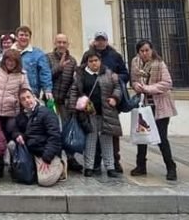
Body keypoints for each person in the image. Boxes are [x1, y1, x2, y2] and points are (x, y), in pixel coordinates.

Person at [68, 50, 122, 178]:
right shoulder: (80, 75)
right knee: (90, 140)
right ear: (87, 62)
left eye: (96, 60)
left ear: (100, 61)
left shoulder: (108, 74)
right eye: (91, 61)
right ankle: (89, 167)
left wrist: (115, 98)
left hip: (106, 112)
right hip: (88, 113)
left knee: (106, 140)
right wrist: (73, 108)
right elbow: (74, 91)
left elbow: (118, 87)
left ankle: (110, 167)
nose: (94, 63)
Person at [129, 40, 178, 181]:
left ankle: (171, 167)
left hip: (160, 105)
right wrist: (136, 86)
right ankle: (141, 166)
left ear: (151, 50)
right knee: (142, 136)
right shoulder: (135, 62)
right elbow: (133, 79)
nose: (144, 53)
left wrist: (147, 88)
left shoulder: (159, 63)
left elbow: (167, 83)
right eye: (141, 51)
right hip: (143, 105)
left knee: (162, 138)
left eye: (147, 50)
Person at [81, 32, 129, 172]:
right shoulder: (87, 54)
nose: (100, 42)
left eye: (103, 40)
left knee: (110, 135)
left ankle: (114, 163)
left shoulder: (115, 56)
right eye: (98, 40)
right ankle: (94, 164)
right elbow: (81, 74)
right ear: (94, 41)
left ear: (107, 41)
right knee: (92, 136)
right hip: (92, 106)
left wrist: (115, 78)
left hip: (109, 104)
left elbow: (125, 75)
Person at [47, 33, 80, 171]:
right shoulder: (47, 57)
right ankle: (54, 157)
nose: (61, 45)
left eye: (64, 42)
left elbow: (75, 82)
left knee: (68, 129)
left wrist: (70, 99)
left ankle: (71, 157)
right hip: (51, 100)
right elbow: (46, 76)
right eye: (59, 42)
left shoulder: (72, 61)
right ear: (55, 43)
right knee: (52, 129)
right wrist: (59, 67)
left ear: (67, 44)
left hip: (65, 101)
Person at [12, 88, 64, 176]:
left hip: (46, 151)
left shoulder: (46, 113)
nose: (27, 100)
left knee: (45, 181)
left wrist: (47, 157)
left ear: (34, 97)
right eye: (23, 99)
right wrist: (18, 135)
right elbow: (15, 130)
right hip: (31, 151)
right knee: (11, 145)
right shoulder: (21, 116)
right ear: (21, 102)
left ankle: (62, 164)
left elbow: (55, 137)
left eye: (28, 97)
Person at [0, 49, 30, 141]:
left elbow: (26, 90)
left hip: (12, 113)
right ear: (4, 60)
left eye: (13, 61)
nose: (10, 63)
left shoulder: (22, 75)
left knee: (10, 135)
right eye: (8, 60)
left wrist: (24, 99)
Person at [14, 26, 53, 102]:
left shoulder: (38, 54)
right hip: (12, 93)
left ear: (30, 38)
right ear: (16, 37)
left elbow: (45, 72)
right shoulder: (9, 53)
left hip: (31, 93)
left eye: (26, 35)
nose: (24, 37)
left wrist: (47, 89)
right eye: (21, 35)